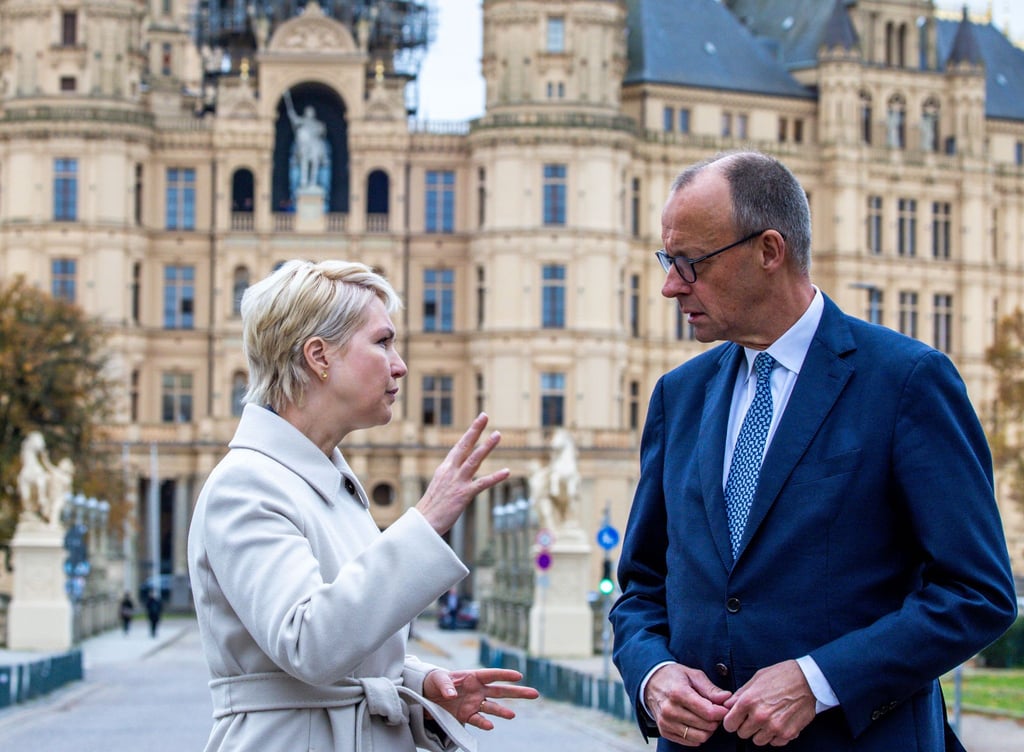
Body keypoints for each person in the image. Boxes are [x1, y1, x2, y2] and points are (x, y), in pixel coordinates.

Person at [609, 150, 1018, 751]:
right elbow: (641, 589)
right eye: (669, 261)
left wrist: (819, 680)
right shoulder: (679, 397)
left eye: (691, 263)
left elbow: (977, 593)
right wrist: (652, 675)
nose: (672, 286)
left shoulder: (906, 381)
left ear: (769, 252)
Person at [187, 259, 538, 752]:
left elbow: (339, 655)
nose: (400, 364)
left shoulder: (324, 483)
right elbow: (309, 644)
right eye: (382, 342)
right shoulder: (246, 485)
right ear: (319, 356)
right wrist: (425, 522)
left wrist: (416, 683)